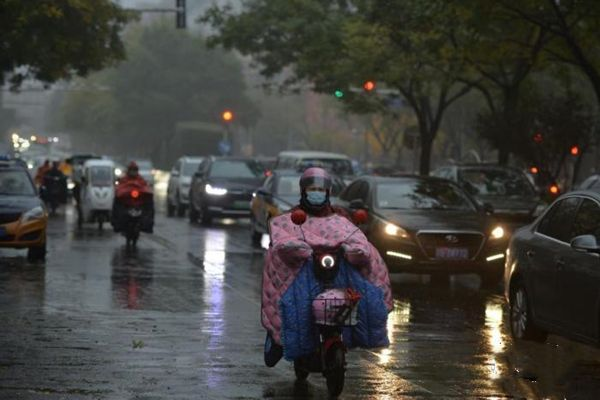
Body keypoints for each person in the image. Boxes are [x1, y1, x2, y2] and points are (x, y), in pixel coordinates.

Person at [261, 167, 393, 367]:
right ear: (304, 191)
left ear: (328, 192)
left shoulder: (340, 216)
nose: (317, 193)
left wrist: (354, 250)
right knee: (290, 301)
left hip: (336, 270)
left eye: (321, 190)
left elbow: (354, 236)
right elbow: (282, 238)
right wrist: (296, 249)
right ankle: (278, 336)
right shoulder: (292, 216)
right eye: (312, 189)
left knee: (364, 287)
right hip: (303, 270)